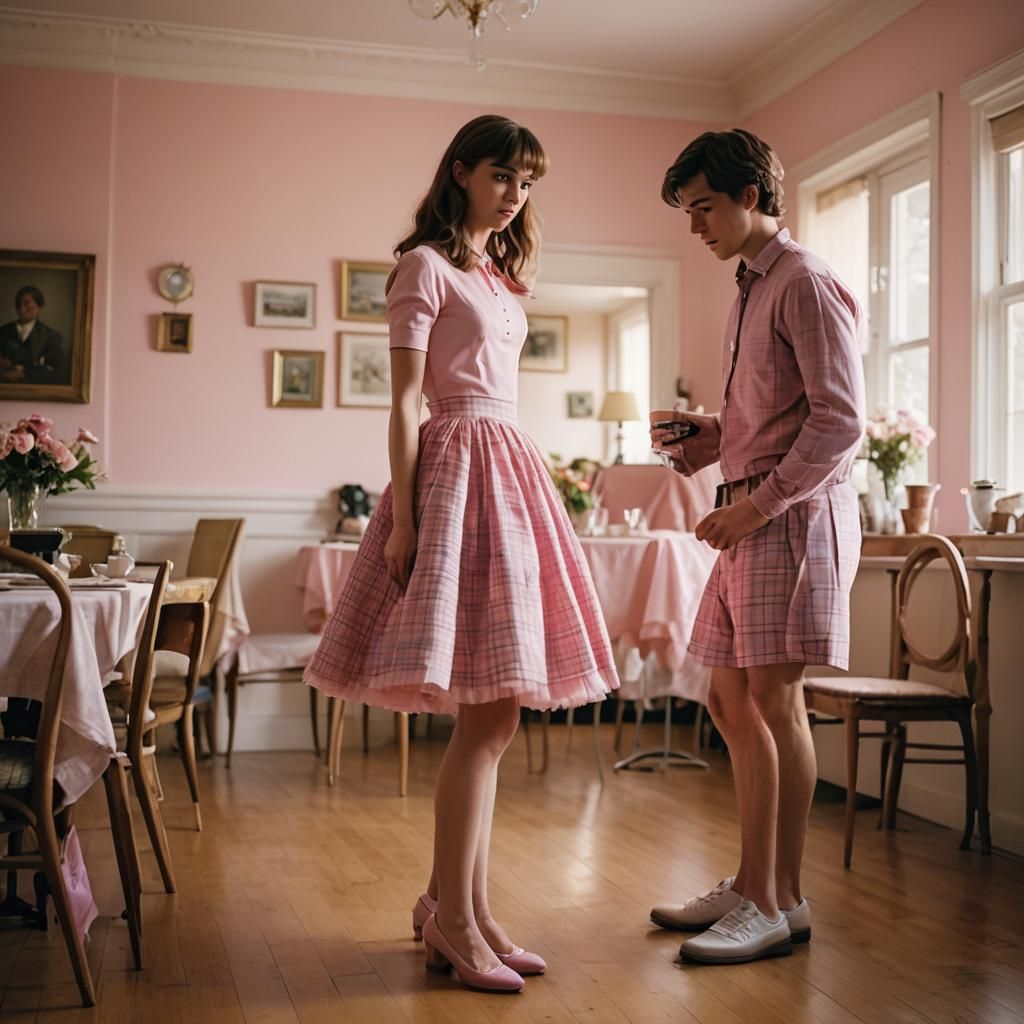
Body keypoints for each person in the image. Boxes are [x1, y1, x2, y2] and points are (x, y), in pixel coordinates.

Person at [305, 114, 618, 993]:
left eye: (528, 179)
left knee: (499, 710)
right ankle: (454, 920)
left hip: (508, 469)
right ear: (461, 173)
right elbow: (407, 402)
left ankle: (461, 909)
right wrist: (405, 518)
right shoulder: (423, 266)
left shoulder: (496, 276)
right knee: (486, 717)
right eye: (503, 174)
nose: (517, 191)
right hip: (455, 472)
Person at [648, 129, 865, 965]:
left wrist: (757, 506)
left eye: (703, 207)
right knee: (728, 702)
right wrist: (713, 437)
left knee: (775, 703)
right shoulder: (750, 289)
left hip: (789, 521)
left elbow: (841, 423)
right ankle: (752, 886)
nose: (695, 225)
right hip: (751, 514)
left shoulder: (805, 282)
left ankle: (779, 904)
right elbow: (781, 414)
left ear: (750, 196)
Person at [0, 285, 68, 384]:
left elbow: (60, 373)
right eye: (19, 304)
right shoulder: (2, 332)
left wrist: (23, 375)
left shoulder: (51, 336)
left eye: (27, 303)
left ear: (39, 306)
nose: (22, 308)